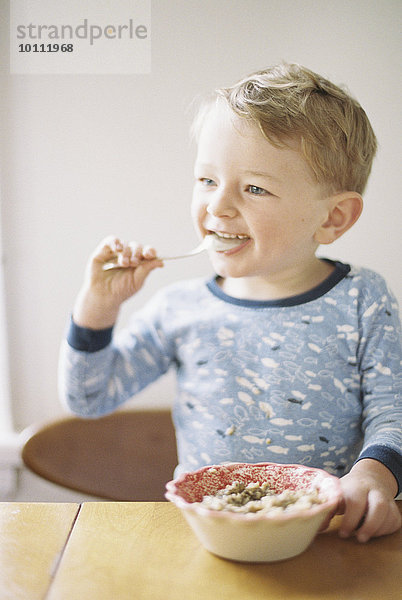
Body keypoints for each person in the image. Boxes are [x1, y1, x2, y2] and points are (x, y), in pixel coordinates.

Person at [59, 63, 401, 542]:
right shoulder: (179, 308)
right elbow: (88, 396)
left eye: (255, 188)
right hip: (210, 537)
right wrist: (97, 308)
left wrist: (375, 477)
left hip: (329, 536)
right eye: (206, 180)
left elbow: (395, 411)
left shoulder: (363, 299)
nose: (217, 207)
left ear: (333, 217)